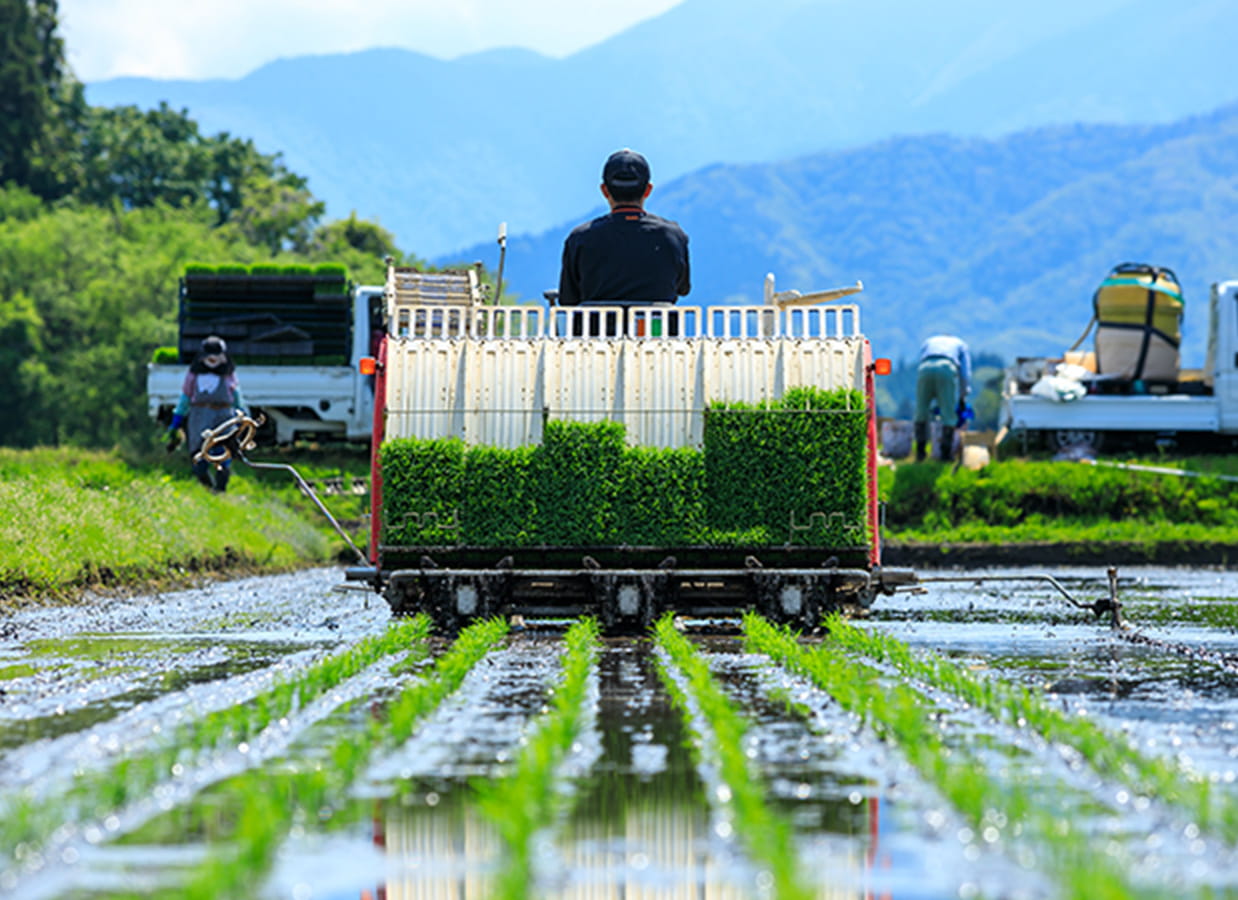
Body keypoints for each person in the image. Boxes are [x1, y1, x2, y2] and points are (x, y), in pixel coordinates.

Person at [557, 148, 691, 307]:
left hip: (597, 331)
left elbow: (568, 299)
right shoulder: (673, 236)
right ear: (648, 190)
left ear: (605, 190)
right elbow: (682, 288)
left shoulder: (580, 238)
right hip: (654, 331)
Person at [166, 336, 247, 492]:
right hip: (200, 415)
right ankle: (206, 485)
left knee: (224, 450)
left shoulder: (229, 375)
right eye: (209, 354)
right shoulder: (193, 375)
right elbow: (185, 398)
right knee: (199, 450)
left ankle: (221, 487)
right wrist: (176, 421)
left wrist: (242, 416)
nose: (213, 358)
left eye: (217, 354)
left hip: (224, 416)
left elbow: (237, 397)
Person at [914, 334, 971, 462]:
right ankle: (945, 454)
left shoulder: (929, 340)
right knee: (948, 414)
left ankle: (920, 453)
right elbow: (965, 374)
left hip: (925, 368)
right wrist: (963, 396)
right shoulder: (961, 344)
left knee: (921, 411)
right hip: (946, 367)